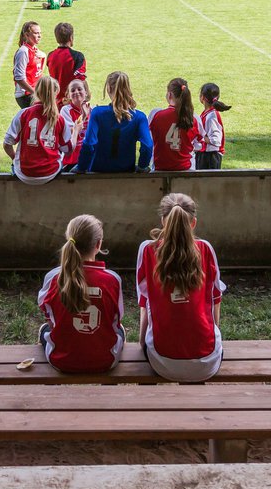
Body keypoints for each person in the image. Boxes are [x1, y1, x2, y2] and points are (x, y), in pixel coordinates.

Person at [136, 193, 225, 383]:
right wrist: (213, 333)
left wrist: (142, 342)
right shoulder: (206, 249)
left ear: (162, 221)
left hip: (161, 361)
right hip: (206, 361)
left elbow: (145, 302)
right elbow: (215, 299)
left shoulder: (147, 250)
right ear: (193, 223)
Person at [37, 214, 124, 373]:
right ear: (98, 245)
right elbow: (116, 319)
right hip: (105, 361)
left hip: (61, 361)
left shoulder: (53, 278)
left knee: (45, 329)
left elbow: (48, 316)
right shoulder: (113, 280)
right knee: (120, 330)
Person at [76, 71, 153, 174]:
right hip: (126, 171)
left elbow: (89, 144)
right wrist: (142, 166)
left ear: (108, 89)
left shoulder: (97, 113)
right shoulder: (139, 117)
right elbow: (147, 145)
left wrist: (81, 167)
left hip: (98, 172)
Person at [4, 76, 70, 184]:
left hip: (24, 173)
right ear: (56, 94)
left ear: (36, 92)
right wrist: (76, 131)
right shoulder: (60, 119)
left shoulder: (23, 114)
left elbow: (7, 144)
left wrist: (14, 158)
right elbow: (67, 149)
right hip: (50, 173)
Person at [150, 78, 200, 172]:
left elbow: (151, 138)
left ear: (169, 94)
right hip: (185, 169)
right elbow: (198, 143)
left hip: (161, 168)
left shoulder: (157, 115)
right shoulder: (193, 118)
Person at [45, 23, 86, 103]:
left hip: (55, 102)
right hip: (72, 102)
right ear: (71, 37)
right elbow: (81, 79)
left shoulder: (50, 56)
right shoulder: (77, 56)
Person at [194, 83, 230, 170]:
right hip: (205, 155)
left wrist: (203, 138)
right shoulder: (207, 114)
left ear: (202, 97)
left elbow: (216, 140)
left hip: (210, 157)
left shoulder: (211, 117)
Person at [11, 21, 46, 110]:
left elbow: (39, 72)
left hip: (34, 92)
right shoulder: (23, 52)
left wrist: (44, 57)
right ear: (26, 35)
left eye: (40, 33)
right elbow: (19, 78)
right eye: (36, 33)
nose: (39, 36)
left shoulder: (35, 50)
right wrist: (34, 93)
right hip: (26, 95)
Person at [60, 78, 91, 173]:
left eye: (79, 89)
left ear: (86, 92)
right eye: (72, 90)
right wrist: (84, 117)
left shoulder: (93, 110)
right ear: (68, 95)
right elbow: (71, 131)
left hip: (89, 157)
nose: (76, 92)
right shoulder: (65, 110)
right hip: (72, 159)